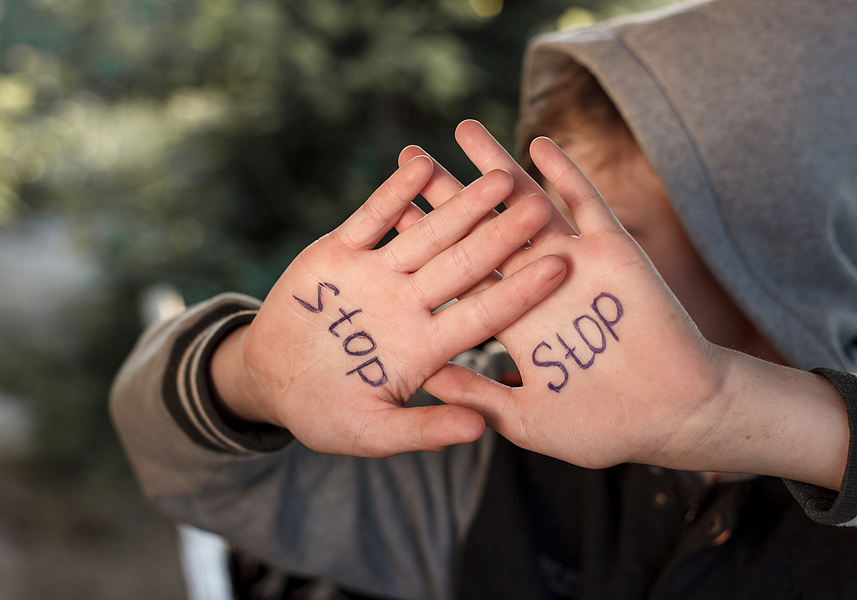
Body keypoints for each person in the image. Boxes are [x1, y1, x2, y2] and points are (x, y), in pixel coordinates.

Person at [111, 0, 857, 598]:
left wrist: (729, 412)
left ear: (777, 247)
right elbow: (184, 476)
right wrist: (249, 379)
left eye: (616, 233)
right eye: (522, 232)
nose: (529, 271)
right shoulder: (487, 443)